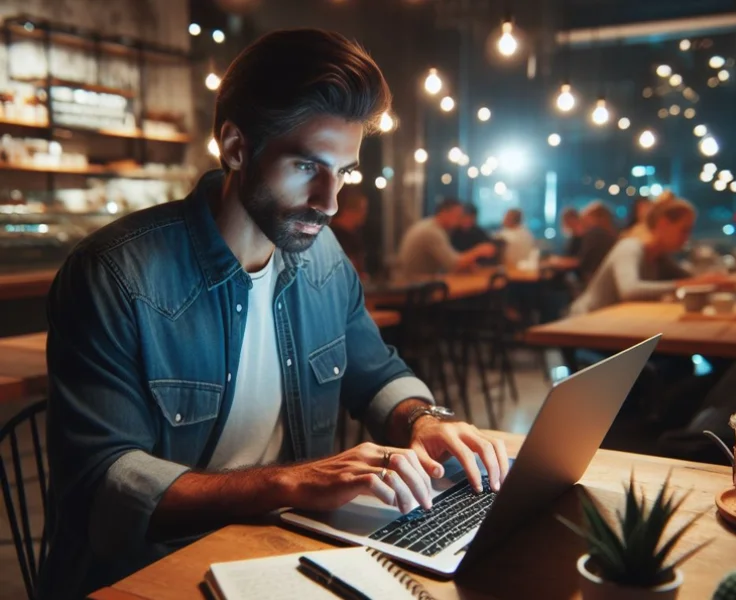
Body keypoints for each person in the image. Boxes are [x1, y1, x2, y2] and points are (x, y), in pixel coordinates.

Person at [39, 30, 509, 600]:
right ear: (236, 146)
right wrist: (293, 481)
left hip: (279, 551)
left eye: (344, 172)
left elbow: (377, 373)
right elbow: (104, 485)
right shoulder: (114, 274)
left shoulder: (324, 259)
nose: (329, 200)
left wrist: (425, 420)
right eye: (306, 165)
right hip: (149, 572)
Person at [570, 192, 732, 314]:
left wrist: (710, 282)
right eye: (684, 230)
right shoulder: (630, 247)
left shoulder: (659, 258)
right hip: (583, 327)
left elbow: (690, 280)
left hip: (613, 327)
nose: (687, 237)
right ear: (663, 224)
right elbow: (630, 291)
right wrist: (693, 284)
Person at [397, 198, 496, 277]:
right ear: (444, 213)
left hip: (418, 284)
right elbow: (453, 264)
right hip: (417, 288)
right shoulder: (432, 232)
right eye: (457, 215)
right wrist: (479, 251)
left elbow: (449, 262)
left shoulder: (431, 226)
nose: (460, 219)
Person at [545, 201, 617, 285]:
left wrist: (558, 262)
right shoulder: (608, 234)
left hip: (592, 282)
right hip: (602, 280)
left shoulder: (595, 234)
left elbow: (582, 262)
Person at [330, 184, 368, 275]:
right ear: (349, 209)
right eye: (363, 209)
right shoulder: (333, 237)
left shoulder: (352, 236)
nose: (365, 213)